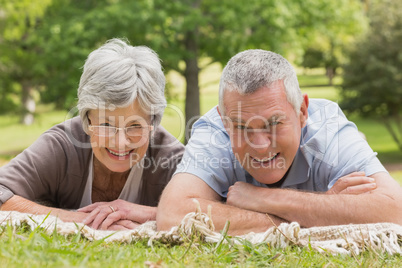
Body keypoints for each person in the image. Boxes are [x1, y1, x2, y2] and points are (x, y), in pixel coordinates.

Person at [156, 49, 402, 235]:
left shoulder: (328, 129)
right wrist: (318, 212)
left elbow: (395, 210)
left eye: (274, 123)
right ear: (224, 121)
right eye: (241, 127)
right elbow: (173, 213)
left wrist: (263, 199)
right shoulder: (214, 131)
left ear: (302, 111)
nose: (260, 144)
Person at [0, 38, 184, 230]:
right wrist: (83, 221)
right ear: (87, 120)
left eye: (135, 126)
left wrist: (145, 213)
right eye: (106, 124)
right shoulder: (62, 145)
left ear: (153, 122)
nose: (120, 143)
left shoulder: (170, 157)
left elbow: (211, 211)